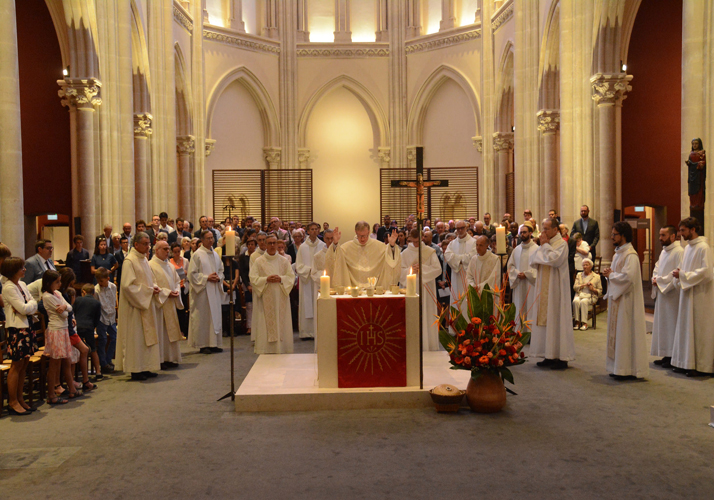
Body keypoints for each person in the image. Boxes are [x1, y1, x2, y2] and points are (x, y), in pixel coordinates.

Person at [602, 221, 648, 380]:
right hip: (618, 299)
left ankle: (627, 369)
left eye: (614, 234)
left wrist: (611, 275)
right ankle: (617, 367)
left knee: (625, 333)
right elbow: (617, 275)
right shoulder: (618, 254)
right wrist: (611, 274)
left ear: (623, 236)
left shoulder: (631, 256)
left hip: (627, 302)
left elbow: (628, 278)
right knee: (619, 333)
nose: (611, 237)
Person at [115, 232, 162, 381]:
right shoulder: (130, 261)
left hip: (146, 303)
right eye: (145, 244)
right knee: (136, 338)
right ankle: (136, 369)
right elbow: (127, 286)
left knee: (146, 338)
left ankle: (146, 366)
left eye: (149, 243)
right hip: (135, 308)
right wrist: (148, 291)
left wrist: (153, 287)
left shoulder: (143, 259)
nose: (148, 247)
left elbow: (150, 279)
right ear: (136, 245)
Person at [529, 217, 574, 370]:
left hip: (556, 291)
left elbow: (554, 260)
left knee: (557, 319)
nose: (543, 231)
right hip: (543, 288)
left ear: (555, 230)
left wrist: (545, 248)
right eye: (543, 228)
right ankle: (548, 354)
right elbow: (534, 260)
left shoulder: (561, 244)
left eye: (546, 228)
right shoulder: (545, 244)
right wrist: (544, 251)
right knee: (545, 320)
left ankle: (561, 357)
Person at [671, 217, 714, 377]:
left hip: (700, 296)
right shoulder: (688, 248)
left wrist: (683, 275)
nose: (680, 234)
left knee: (698, 330)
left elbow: (707, 272)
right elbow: (684, 268)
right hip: (688, 293)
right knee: (686, 328)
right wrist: (679, 274)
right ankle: (686, 362)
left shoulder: (704, 247)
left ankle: (701, 367)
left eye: (683, 230)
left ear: (693, 229)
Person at [1, 256, 40, 413]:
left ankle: (20, 398)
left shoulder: (22, 284)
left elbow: (32, 303)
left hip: (27, 326)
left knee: (24, 363)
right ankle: (12, 401)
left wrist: (28, 306)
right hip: (17, 329)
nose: (24, 270)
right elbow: (23, 309)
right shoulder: (8, 287)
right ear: (12, 271)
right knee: (16, 365)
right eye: (21, 268)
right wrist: (28, 307)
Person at [250, 233, 295, 354]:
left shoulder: (284, 261)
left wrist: (281, 279)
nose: (272, 245)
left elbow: (291, 277)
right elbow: (253, 278)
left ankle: (283, 347)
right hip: (266, 297)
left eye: (274, 243)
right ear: (265, 244)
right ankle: (266, 349)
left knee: (281, 322)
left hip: (281, 296)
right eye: (269, 243)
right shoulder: (259, 261)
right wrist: (266, 280)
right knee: (265, 323)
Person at [400, 229, 442, 351]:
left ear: (422, 238)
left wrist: (422, 269)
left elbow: (437, 269)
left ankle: (428, 344)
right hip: (411, 288)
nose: (416, 244)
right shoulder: (405, 253)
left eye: (418, 241)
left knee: (426, 313)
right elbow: (399, 271)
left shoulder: (429, 252)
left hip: (426, 288)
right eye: (413, 241)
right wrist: (410, 269)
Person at [41, 270, 79, 402]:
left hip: (63, 330)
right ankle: (51, 395)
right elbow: (63, 314)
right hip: (56, 331)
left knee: (66, 360)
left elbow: (69, 308)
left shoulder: (57, 293)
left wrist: (65, 306)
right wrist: (66, 308)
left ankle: (71, 389)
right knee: (54, 365)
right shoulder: (46, 296)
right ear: (48, 283)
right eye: (57, 282)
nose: (60, 284)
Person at [650, 226, 683, 368]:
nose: (660, 238)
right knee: (663, 325)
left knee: (672, 324)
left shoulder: (679, 252)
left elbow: (677, 272)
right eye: (659, 234)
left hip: (672, 294)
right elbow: (657, 267)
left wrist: (660, 281)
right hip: (662, 294)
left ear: (673, 237)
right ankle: (666, 354)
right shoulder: (664, 252)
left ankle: (673, 356)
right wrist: (654, 278)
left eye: (663, 235)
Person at [188, 230, 225, 354]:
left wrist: (218, 277)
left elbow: (221, 270)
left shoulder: (215, 254)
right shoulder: (197, 255)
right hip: (202, 292)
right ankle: (203, 344)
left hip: (213, 289)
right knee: (203, 318)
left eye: (212, 238)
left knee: (214, 316)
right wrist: (206, 278)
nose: (211, 240)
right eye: (208, 238)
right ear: (202, 240)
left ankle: (214, 343)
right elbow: (191, 274)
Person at [332, 221, 401, 287]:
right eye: (360, 236)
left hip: (375, 288)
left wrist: (392, 245)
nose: (362, 239)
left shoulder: (379, 246)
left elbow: (391, 259)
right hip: (354, 290)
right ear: (355, 232)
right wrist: (335, 244)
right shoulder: (346, 248)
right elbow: (336, 258)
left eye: (365, 236)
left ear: (369, 232)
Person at [150, 240, 183, 369]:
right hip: (160, 304)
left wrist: (176, 291)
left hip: (170, 301)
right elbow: (152, 284)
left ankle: (170, 358)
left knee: (170, 332)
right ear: (157, 250)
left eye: (168, 249)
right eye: (164, 249)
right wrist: (167, 293)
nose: (167, 251)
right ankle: (161, 359)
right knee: (161, 332)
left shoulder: (169, 265)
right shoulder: (151, 265)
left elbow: (177, 280)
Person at [295, 223, 326, 341]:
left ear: (318, 231)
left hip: (318, 280)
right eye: (311, 229)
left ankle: (319, 331)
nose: (314, 231)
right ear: (307, 231)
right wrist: (310, 271)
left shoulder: (323, 246)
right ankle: (306, 332)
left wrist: (318, 273)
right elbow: (299, 265)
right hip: (307, 280)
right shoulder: (302, 247)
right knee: (306, 304)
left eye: (316, 229)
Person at [507, 222, 538, 330]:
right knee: (520, 306)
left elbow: (540, 268)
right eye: (521, 233)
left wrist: (527, 274)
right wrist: (516, 273)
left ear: (530, 233)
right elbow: (510, 266)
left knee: (531, 306)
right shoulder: (516, 250)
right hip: (519, 283)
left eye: (525, 232)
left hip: (531, 284)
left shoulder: (537, 249)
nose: (522, 234)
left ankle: (531, 333)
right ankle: (519, 331)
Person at [444, 220, 477, 318]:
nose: (460, 230)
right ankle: (455, 329)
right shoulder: (452, 244)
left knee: (468, 301)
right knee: (456, 300)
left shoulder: (473, 242)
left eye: (462, 228)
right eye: (458, 228)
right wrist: (462, 260)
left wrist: (457, 259)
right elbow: (448, 256)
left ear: (466, 228)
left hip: (469, 276)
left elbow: (473, 256)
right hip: (456, 276)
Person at [73, 283, 103, 381]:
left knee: (79, 349)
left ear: (83, 292)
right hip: (89, 327)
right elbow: (97, 319)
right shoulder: (96, 303)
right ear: (93, 293)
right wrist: (93, 327)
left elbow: (74, 313)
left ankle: (79, 372)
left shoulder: (77, 300)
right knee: (93, 349)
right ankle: (98, 372)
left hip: (78, 326)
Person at [94, 267, 118, 374]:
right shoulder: (96, 290)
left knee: (114, 338)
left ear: (108, 278)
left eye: (102, 281)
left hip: (111, 317)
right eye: (98, 281)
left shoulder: (113, 287)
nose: (100, 283)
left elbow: (113, 301)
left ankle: (109, 360)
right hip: (102, 318)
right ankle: (103, 364)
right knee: (102, 340)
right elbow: (96, 306)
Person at [572, 259, 602, 331]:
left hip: (591, 296)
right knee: (575, 301)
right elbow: (574, 287)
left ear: (591, 266)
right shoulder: (579, 275)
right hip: (580, 294)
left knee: (583, 302)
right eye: (584, 265)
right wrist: (583, 285)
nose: (585, 267)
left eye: (587, 265)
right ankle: (577, 322)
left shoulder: (596, 277)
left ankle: (584, 323)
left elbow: (600, 291)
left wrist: (593, 289)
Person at [169, 242, 190, 335]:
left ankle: (183, 330)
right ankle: (176, 330)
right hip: (175, 287)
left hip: (184, 287)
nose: (177, 253)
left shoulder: (185, 261)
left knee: (184, 309)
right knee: (176, 309)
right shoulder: (169, 262)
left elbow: (190, 274)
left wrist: (186, 273)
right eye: (175, 252)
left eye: (178, 251)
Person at [239, 238, 256, 338]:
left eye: (252, 244)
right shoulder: (243, 257)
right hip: (247, 283)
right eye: (249, 244)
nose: (250, 246)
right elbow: (242, 272)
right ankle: (249, 326)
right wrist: (247, 285)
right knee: (249, 305)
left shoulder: (257, 256)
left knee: (257, 305)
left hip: (257, 283)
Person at [686, 138, 706, 211]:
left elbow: (703, 163)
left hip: (698, 176)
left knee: (699, 190)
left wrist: (699, 165)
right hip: (692, 176)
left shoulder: (702, 154)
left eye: (696, 143)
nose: (694, 145)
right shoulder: (691, 154)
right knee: (692, 191)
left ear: (699, 144)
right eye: (693, 144)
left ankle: (698, 203)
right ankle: (693, 203)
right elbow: (690, 163)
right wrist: (689, 163)